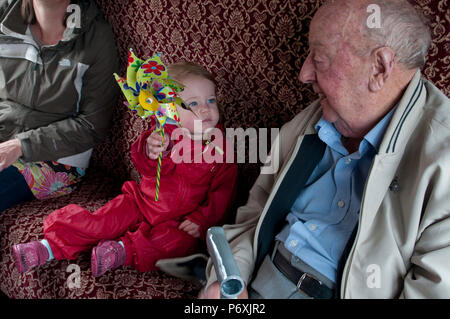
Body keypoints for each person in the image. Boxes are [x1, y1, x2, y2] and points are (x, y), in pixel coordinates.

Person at [198, 0, 450, 299]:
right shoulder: (308, 122)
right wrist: (228, 280)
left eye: (318, 58)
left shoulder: (441, 154)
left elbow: (433, 290)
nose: (303, 74)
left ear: (380, 67)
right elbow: (253, 218)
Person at [12, 62, 239, 277]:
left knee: (179, 244)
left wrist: (201, 219)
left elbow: (223, 193)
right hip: (140, 202)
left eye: (211, 100)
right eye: (193, 104)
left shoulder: (221, 149)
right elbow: (145, 166)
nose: (206, 109)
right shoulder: (161, 135)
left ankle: (120, 252)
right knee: (101, 222)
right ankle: (47, 247)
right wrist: (150, 150)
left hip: (179, 219)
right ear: (168, 110)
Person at [0, 0, 119, 212]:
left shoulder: (95, 37)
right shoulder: (5, 14)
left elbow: (92, 125)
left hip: (55, 159)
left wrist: (20, 145)